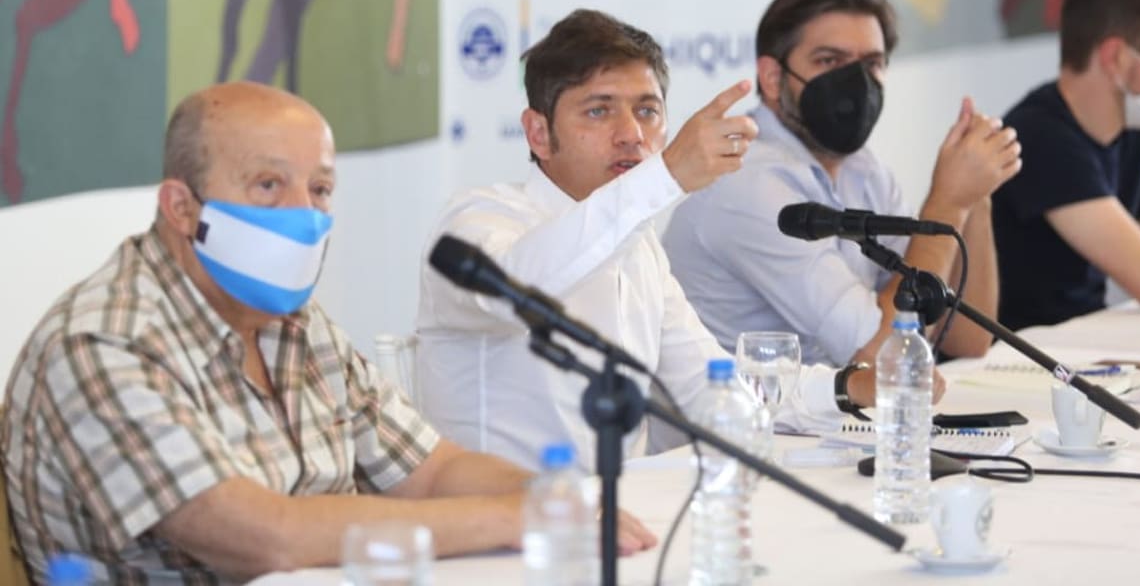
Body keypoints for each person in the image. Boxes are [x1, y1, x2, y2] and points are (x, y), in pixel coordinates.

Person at [1, 83, 655, 584]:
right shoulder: (102, 345)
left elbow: (432, 470)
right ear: (181, 208)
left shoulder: (294, 324)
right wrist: (511, 519)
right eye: (267, 186)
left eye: (319, 189)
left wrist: (554, 499)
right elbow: (268, 538)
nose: (303, 214)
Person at [416, 9, 890, 473]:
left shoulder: (638, 248)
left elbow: (714, 386)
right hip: (494, 531)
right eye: (599, 110)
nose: (632, 135)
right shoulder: (477, 220)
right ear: (538, 133)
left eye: (647, 111)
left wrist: (848, 388)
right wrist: (665, 177)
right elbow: (518, 291)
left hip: (618, 522)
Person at [663, 0, 1021, 367]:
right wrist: (948, 202)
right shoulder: (743, 181)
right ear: (772, 76)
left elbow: (966, 339)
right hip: (746, 423)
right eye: (829, 60)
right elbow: (885, 356)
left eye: (871, 64)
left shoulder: (862, 169)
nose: (855, 83)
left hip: (828, 419)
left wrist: (974, 196)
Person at [993, 0, 1140, 330]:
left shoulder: (1135, 132)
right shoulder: (1039, 137)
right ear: (1116, 56)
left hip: (1083, 346)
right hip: (1017, 361)